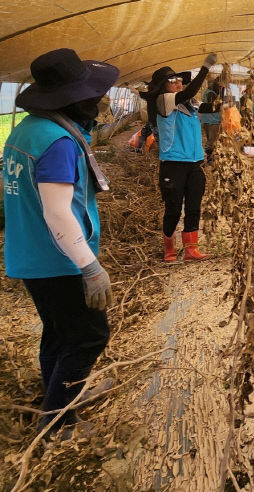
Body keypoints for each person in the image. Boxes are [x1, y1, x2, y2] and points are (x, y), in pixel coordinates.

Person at [3, 48, 118, 437]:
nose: (98, 103)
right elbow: (57, 212)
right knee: (90, 336)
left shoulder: (27, 131)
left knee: (59, 332)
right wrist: (90, 266)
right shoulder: (58, 141)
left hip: (31, 255)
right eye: (92, 97)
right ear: (73, 100)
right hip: (58, 260)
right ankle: (59, 423)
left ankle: (61, 397)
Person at [145, 53, 217, 262]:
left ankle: (191, 249)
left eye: (178, 80)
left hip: (195, 163)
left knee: (194, 206)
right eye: (171, 81)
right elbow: (191, 90)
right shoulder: (162, 101)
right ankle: (169, 250)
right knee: (173, 207)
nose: (177, 83)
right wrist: (205, 68)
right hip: (173, 164)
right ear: (161, 86)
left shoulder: (189, 104)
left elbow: (207, 107)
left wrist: (227, 104)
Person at [199, 78, 224, 160]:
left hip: (208, 120)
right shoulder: (210, 94)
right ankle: (210, 158)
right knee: (211, 141)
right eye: (219, 87)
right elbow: (213, 107)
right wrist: (222, 105)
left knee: (211, 140)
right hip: (212, 121)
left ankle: (211, 157)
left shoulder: (208, 93)